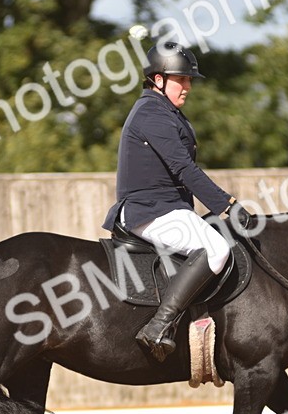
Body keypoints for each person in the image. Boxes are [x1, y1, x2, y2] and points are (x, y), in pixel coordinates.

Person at [101, 40, 249, 361]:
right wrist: (225, 205)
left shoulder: (165, 112)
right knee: (216, 248)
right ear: (158, 80)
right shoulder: (152, 113)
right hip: (150, 210)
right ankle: (158, 326)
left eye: (189, 80)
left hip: (166, 207)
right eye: (181, 79)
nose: (187, 87)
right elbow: (184, 169)